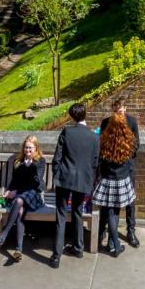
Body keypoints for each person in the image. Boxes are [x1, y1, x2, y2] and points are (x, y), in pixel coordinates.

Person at [50, 103, 98, 268]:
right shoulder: (94, 137)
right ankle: (78, 248)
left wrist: (56, 174)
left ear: (72, 116)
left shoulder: (67, 132)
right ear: (85, 115)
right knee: (77, 212)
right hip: (82, 180)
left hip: (64, 178)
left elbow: (57, 157)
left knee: (61, 216)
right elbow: (94, 162)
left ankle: (56, 256)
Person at [0, 135, 46, 263]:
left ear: (36, 148)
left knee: (19, 200)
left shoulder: (40, 161)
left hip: (34, 194)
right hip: (20, 194)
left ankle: (4, 234)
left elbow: (36, 183)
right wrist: (9, 191)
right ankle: (18, 250)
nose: (28, 150)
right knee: (20, 211)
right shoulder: (18, 161)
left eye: (31, 148)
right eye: (26, 147)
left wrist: (31, 165)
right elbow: (15, 181)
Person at [92, 112, 139, 257]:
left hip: (107, 179)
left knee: (110, 212)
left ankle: (112, 244)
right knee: (115, 213)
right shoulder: (129, 140)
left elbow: (100, 160)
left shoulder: (104, 140)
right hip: (122, 179)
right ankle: (115, 246)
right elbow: (131, 156)